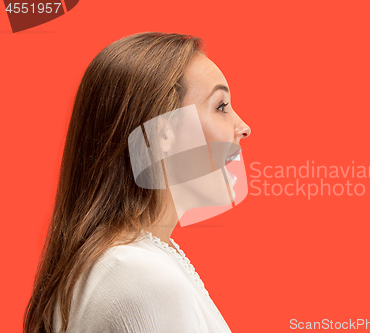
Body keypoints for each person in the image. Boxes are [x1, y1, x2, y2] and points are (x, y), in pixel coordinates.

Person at [23, 32, 251, 333]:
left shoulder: (120, 263)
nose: (244, 128)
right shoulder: (145, 278)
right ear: (163, 134)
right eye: (221, 106)